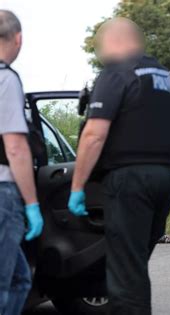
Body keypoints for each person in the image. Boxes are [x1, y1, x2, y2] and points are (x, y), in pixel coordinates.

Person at [67, 18, 170, 315]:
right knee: (136, 265)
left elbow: (94, 135)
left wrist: (77, 186)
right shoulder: (165, 78)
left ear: (116, 41)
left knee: (125, 275)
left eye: (101, 47)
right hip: (165, 178)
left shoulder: (118, 72)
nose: (102, 55)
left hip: (130, 179)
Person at [0, 10, 44, 315]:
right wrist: (31, 203)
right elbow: (15, 147)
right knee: (5, 283)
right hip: (3, 192)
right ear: (18, 39)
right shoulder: (6, 79)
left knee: (18, 280)